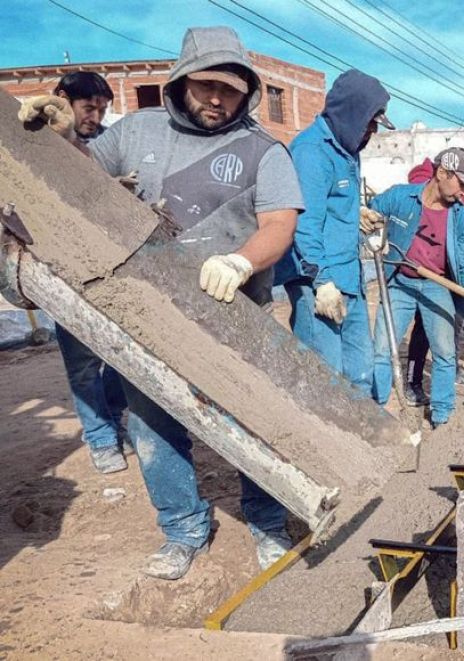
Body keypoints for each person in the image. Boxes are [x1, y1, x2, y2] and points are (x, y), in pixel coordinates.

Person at [20, 27, 304, 580]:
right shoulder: (137, 131)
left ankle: (269, 523)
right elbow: (77, 176)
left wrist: (242, 261)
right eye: (206, 87)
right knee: (153, 425)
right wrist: (55, 136)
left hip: (235, 313)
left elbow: (279, 223)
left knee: (258, 423)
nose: (218, 100)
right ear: (182, 82)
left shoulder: (263, 150)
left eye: (231, 90)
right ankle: (183, 530)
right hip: (146, 313)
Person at [32, 72, 131, 474]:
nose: (95, 116)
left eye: (102, 109)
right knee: (83, 362)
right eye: (88, 107)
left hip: (109, 266)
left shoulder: (105, 144)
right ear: (62, 100)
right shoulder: (37, 139)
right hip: (63, 269)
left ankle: (110, 415)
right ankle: (103, 439)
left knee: (126, 357)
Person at [278, 69, 393, 396]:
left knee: (360, 372)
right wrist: (321, 282)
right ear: (352, 113)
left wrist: (355, 212)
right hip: (319, 283)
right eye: (370, 123)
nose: (371, 132)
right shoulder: (312, 151)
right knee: (324, 380)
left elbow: (328, 201)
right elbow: (303, 222)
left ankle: (361, 444)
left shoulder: (347, 151)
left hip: (349, 278)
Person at [368, 147, 464, 428]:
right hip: (400, 282)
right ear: (441, 173)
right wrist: (374, 235)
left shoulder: (461, 216)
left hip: (437, 286)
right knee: (383, 349)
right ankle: (374, 410)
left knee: (445, 352)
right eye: (460, 183)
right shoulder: (401, 197)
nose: (463, 191)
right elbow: (370, 212)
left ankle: (442, 415)